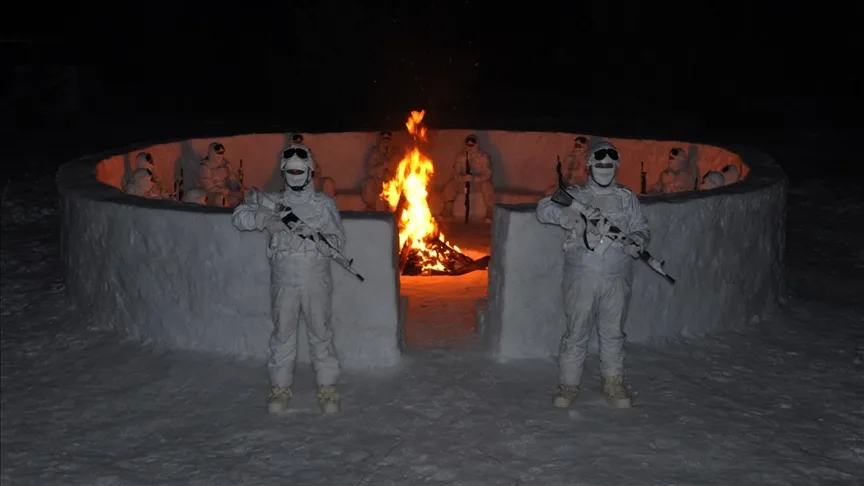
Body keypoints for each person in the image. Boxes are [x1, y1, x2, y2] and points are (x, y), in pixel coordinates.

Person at [231, 143, 346, 415]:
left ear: (310, 172)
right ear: (284, 172)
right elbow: (239, 216)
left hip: (315, 279)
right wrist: (265, 220)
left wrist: (322, 243)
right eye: (291, 171)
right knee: (283, 335)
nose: (296, 176)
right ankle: (280, 386)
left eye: (300, 171)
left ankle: (327, 385)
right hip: (284, 281)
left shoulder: (323, 204)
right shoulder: (273, 202)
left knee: (321, 333)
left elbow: (338, 239)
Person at [536, 140, 650, 409]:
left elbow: (641, 227)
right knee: (576, 332)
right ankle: (569, 384)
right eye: (599, 164)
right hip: (581, 277)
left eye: (610, 164)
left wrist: (637, 241)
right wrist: (567, 216)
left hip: (616, 276)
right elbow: (543, 208)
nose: (605, 168)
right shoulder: (575, 195)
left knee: (613, 334)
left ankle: (613, 383)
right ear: (589, 165)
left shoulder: (626, 198)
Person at [439, 134, 495, 222]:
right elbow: (455, 172)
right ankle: (447, 209)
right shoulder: (461, 157)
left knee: (487, 186)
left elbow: (487, 173)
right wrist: (463, 178)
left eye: (472, 145)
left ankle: (490, 210)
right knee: (451, 184)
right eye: (468, 145)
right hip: (464, 185)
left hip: (478, 184)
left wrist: (475, 178)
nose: (470, 148)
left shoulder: (483, 157)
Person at [361, 131, 400, 211]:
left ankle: (396, 211)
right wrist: (382, 167)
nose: (386, 141)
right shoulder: (375, 153)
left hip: (392, 182)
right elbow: (369, 170)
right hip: (378, 181)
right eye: (384, 138)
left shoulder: (396, 154)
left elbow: (401, 171)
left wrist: (390, 167)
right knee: (368, 184)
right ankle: (371, 209)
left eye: (388, 138)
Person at [199, 142, 244, 206]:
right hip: (212, 195)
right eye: (219, 153)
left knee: (242, 196)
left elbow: (232, 182)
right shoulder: (205, 166)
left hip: (227, 194)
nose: (221, 155)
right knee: (220, 199)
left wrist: (238, 186)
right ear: (212, 153)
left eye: (222, 153)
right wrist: (229, 192)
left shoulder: (225, 164)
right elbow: (209, 187)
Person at [291, 133, 336, 198]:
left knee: (327, 182)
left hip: (314, 183)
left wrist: (316, 174)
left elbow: (317, 171)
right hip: (304, 184)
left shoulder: (309, 156)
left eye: (300, 140)